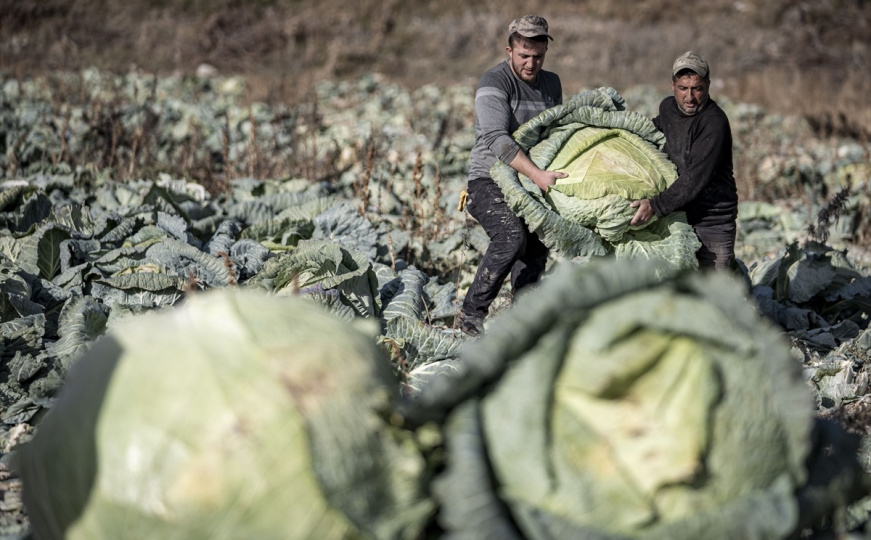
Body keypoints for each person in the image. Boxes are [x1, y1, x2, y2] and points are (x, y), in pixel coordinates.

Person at [458, 15, 567, 337]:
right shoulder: (494, 81)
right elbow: (496, 138)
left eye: (538, 56)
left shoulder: (551, 83)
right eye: (524, 55)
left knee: (536, 246)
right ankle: (471, 313)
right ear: (509, 50)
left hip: (528, 181)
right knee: (511, 237)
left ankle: (523, 319)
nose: (531, 63)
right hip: (488, 179)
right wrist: (537, 174)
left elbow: (554, 133)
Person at [629, 51, 739, 270]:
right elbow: (650, 134)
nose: (689, 97)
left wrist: (655, 205)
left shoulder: (714, 122)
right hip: (678, 217)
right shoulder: (668, 108)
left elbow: (694, 178)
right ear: (672, 86)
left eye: (697, 89)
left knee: (712, 291)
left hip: (711, 222)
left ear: (707, 85)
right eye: (683, 89)